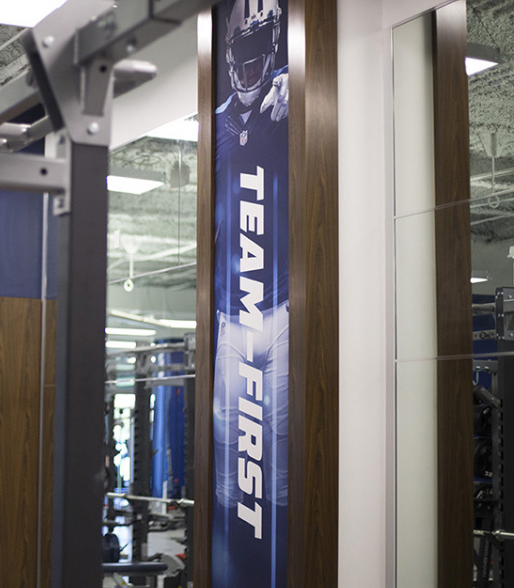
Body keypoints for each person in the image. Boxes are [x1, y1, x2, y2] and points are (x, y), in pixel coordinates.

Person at [211, 0, 289, 586]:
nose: (247, 66)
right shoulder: (217, 123)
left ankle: (276, 564)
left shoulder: (287, 102)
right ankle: (234, 566)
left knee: (278, 461)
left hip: (282, 303)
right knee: (228, 460)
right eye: (239, 53)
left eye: (257, 54)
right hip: (230, 310)